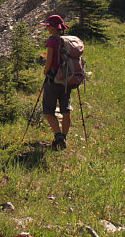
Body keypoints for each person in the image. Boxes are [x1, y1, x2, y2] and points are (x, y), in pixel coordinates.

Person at [41, 14, 72, 150]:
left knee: (48, 110)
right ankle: (64, 137)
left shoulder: (52, 41)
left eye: (48, 25)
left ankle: (58, 135)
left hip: (53, 79)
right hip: (67, 80)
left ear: (53, 27)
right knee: (65, 109)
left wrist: (46, 71)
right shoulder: (66, 40)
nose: (47, 28)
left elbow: (49, 60)